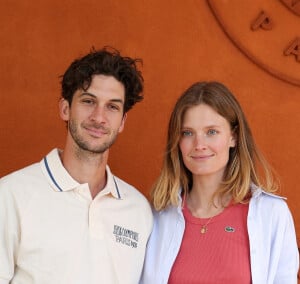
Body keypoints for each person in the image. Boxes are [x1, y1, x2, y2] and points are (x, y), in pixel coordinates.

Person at [0, 46, 153, 284]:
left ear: (122, 121)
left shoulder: (138, 210)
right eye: (88, 101)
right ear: (65, 108)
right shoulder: (11, 195)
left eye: (112, 106)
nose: (99, 117)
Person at [140, 81, 299, 284]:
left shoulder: (271, 214)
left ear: (233, 137)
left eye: (211, 132)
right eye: (187, 133)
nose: (199, 145)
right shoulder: (156, 216)